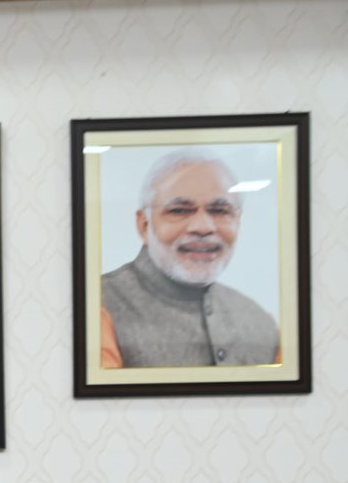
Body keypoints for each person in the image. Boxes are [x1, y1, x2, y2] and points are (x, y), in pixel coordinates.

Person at [100, 148, 279, 368]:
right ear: (144, 225)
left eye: (220, 211)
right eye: (179, 210)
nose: (203, 227)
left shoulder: (261, 323)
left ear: (237, 222)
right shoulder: (96, 305)